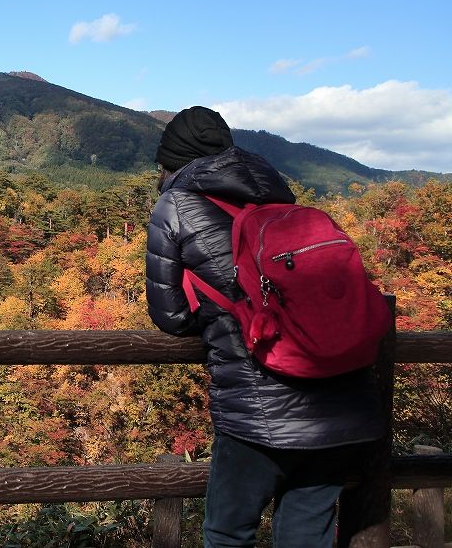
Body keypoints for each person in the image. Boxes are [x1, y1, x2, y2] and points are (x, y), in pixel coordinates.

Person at [144, 106, 383, 548]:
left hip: (257, 408)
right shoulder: (281, 199)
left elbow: (170, 316)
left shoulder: (175, 204)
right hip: (343, 403)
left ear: (172, 160)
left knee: (228, 534)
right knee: (306, 535)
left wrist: (219, 316)